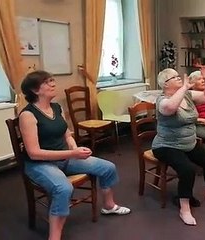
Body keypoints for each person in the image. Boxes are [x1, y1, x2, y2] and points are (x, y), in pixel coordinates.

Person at [19, 70, 130, 240]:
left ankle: (108, 206)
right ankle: (54, 237)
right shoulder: (28, 115)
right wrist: (72, 153)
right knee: (64, 188)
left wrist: (76, 149)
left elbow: (67, 134)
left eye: (52, 80)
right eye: (47, 82)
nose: (53, 84)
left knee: (108, 167)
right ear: (35, 90)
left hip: (64, 158)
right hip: (40, 164)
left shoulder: (57, 107)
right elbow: (34, 153)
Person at [152, 68, 205, 226]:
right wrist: (185, 87)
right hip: (166, 145)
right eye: (175, 77)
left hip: (188, 143)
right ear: (165, 84)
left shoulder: (187, 95)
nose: (180, 78)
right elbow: (170, 108)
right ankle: (184, 209)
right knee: (187, 170)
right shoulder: (162, 100)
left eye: (179, 76)